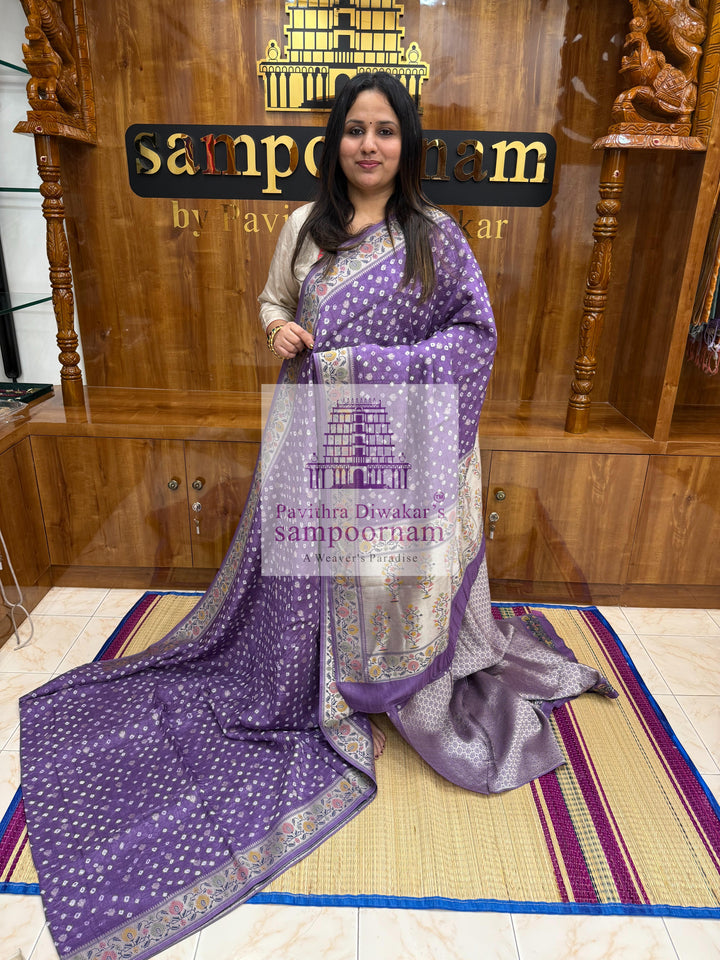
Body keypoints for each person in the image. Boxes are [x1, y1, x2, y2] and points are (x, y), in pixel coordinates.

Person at [19, 72, 615, 960]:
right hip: (313, 429)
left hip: (399, 438)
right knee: (304, 579)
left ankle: (383, 671)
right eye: (354, 129)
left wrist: (366, 363)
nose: (369, 144)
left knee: (376, 573)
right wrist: (278, 331)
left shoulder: (435, 237)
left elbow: (473, 337)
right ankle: (313, 676)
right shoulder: (305, 226)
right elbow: (272, 303)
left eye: (385, 130)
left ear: (406, 144)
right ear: (335, 142)